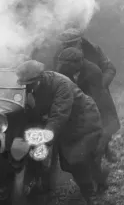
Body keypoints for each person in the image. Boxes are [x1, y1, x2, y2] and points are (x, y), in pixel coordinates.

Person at [16, 60, 104, 205]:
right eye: (26, 85)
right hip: (64, 122)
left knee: (76, 159)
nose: (27, 88)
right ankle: (45, 189)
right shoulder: (35, 87)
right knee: (65, 161)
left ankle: (91, 196)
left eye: (30, 84)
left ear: (40, 78)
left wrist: (43, 139)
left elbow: (58, 116)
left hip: (83, 120)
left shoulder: (61, 84)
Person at [55, 28, 120, 162]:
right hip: (75, 93)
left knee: (103, 119)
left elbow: (110, 68)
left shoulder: (93, 50)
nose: (68, 47)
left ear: (79, 41)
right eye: (65, 44)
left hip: (96, 91)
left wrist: (99, 84)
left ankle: (106, 150)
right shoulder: (61, 54)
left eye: (72, 43)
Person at [56, 47, 113, 191]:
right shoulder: (63, 72)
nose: (64, 66)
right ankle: (89, 184)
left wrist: (103, 125)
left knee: (94, 155)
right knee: (76, 158)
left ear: (78, 62)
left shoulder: (93, 71)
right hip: (75, 118)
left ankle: (100, 182)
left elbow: (99, 99)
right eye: (63, 63)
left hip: (95, 114)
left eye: (67, 63)